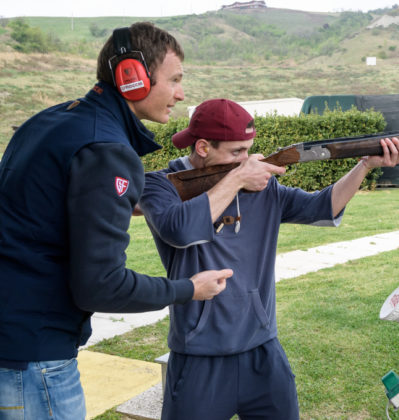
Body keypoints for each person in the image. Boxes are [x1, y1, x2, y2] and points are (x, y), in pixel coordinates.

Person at [0, 23, 232, 420]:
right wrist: (187, 289)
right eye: (174, 80)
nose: (181, 93)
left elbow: (36, 214)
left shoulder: (51, 120)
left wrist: (116, 203)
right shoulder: (108, 148)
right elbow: (101, 286)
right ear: (133, 78)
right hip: (35, 356)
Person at [138, 98, 399, 420]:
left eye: (249, 150)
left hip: (263, 349)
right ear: (202, 147)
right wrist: (238, 179)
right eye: (237, 152)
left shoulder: (262, 187)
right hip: (199, 355)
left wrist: (364, 165)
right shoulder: (160, 185)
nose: (247, 159)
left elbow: (322, 208)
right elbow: (180, 230)